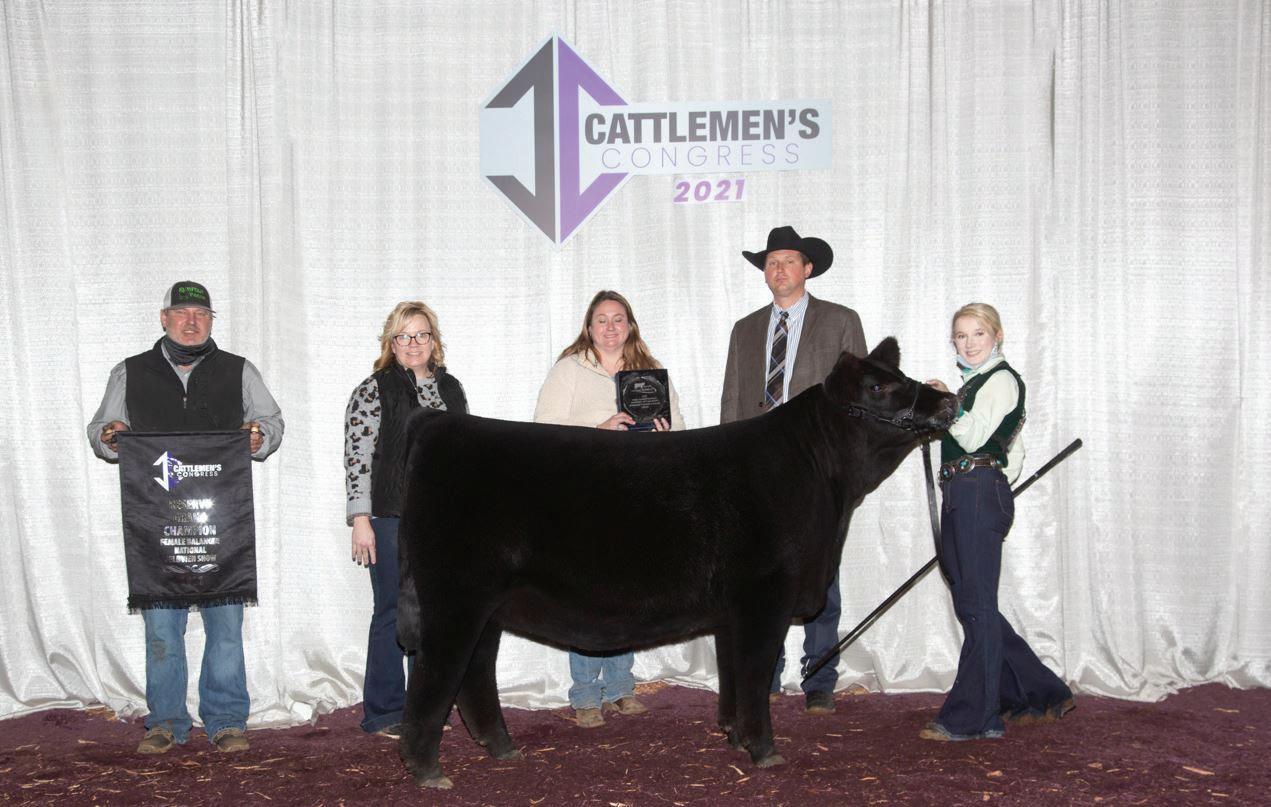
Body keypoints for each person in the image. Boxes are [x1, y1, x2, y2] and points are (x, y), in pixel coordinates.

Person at [86, 281, 283, 754]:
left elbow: (273, 423)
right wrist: (111, 435)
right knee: (161, 628)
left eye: (201, 314)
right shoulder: (129, 371)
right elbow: (99, 431)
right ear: (164, 318)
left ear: (212, 320)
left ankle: (227, 721)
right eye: (182, 313)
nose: (191, 322)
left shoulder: (239, 370)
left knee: (225, 625)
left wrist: (260, 437)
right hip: (156, 521)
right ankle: (165, 721)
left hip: (221, 520)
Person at [720, 225, 866, 715]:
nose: (779, 269)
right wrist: (730, 467)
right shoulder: (744, 330)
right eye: (771, 262)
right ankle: (765, 671)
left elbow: (858, 402)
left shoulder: (841, 321)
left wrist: (845, 469)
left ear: (807, 268)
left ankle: (819, 676)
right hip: (758, 470)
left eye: (788, 261)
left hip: (816, 468)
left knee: (821, 573)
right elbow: (732, 401)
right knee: (761, 574)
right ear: (765, 273)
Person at [920, 303, 1074, 741]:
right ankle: (1038, 691)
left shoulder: (1002, 380)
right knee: (972, 603)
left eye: (978, 334)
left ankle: (973, 716)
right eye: (961, 335)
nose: (969, 343)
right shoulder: (976, 384)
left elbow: (972, 436)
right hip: (966, 490)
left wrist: (948, 405)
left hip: (974, 492)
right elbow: (1014, 450)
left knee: (977, 605)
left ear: (997, 336)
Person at [533, 290, 685, 728]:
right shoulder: (569, 370)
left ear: (630, 325)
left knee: (627, 592)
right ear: (589, 327)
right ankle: (585, 694)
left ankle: (620, 687)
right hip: (585, 495)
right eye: (602, 319)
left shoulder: (650, 373)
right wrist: (597, 428)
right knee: (585, 594)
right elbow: (542, 430)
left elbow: (680, 431)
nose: (611, 327)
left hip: (636, 496)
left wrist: (662, 435)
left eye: (619, 319)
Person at [344, 301, 468, 740]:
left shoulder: (451, 388)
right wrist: (361, 517)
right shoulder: (373, 389)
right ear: (391, 343)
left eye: (421, 334)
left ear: (434, 340)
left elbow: (464, 453)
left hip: (440, 519)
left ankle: (426, 705)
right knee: (391, 612)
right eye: (403, 336)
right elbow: (357, 457)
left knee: (433, 614)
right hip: (390, 517)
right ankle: (384, 710)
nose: (413, 343)